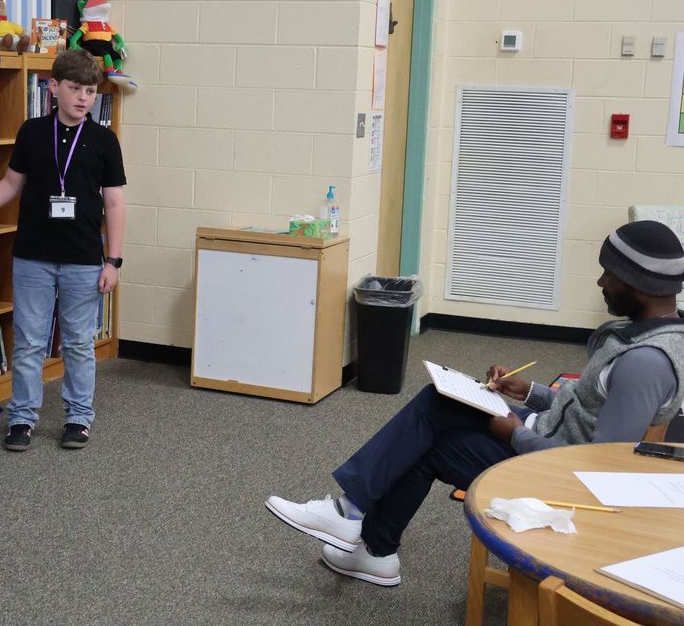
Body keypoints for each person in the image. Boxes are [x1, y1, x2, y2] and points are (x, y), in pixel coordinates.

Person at [265, 220, 684, 586]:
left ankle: (369, 541)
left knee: (429, 439)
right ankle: (358, 526)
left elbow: (592, 467)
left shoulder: (645, 362)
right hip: (544, 435)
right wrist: (531, 392)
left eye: (608, 274)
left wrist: (516, 433)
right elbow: (593, 406)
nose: (600, 283)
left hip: (552, 476)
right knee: (438, 401)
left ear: (635, 282)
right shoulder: (650, 337)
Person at [0, 49, 126, 451]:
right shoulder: (31, 131)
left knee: (79, 342)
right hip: (33, 257)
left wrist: (112, 261)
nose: (83, 98)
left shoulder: (103, 140)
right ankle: (22, 419)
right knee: (29, 341)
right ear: (53, 88)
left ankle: (78, 418)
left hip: (83, 258)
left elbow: (114, 203)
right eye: (75, 88)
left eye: (90, 91)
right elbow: (11, 185)